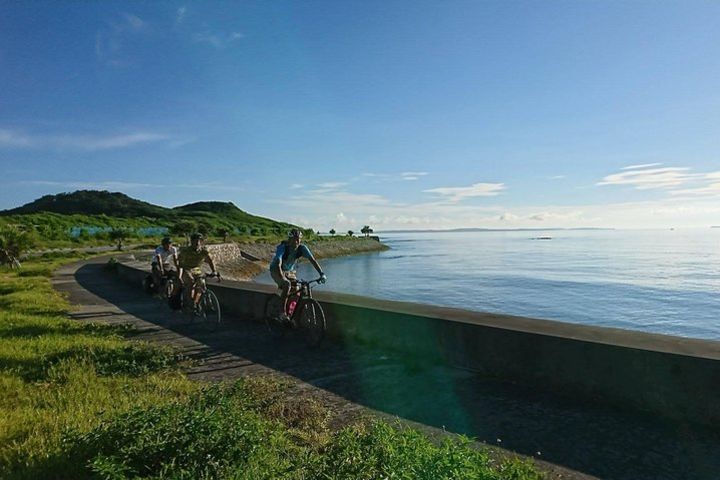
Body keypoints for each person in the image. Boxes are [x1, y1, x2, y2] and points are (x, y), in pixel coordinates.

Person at [270, 229, 326, 319]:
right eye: (295, 239)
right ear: (290, 239)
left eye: (299, 239)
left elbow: (313, 260)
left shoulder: (302, 248)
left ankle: (290, 311)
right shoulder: (283, 247)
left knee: (297, 290)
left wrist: (322, 273)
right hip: (276, 269)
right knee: (286, 285)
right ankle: (282, 312)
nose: (297, 241)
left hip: (290, 271)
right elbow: (278, 262)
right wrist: (282, 277)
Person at [177, 233, 219, 308]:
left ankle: (196, 302)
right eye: (195, 241)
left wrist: (214, 271)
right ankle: (188, 301)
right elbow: (179, 262)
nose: (197, 243)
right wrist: (180, 274)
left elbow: (210, 260)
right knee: (190, 281)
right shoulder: (186, 251)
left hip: (196, 269)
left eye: (199, 241)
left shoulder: (203, 251)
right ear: (191, 241)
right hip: (187, 268)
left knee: (201, 284)